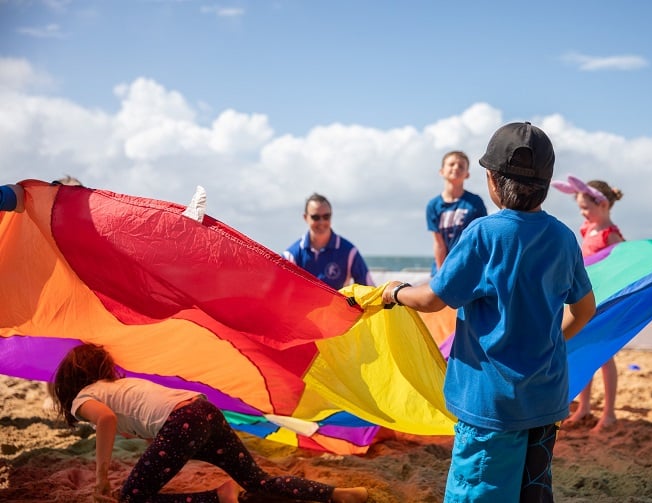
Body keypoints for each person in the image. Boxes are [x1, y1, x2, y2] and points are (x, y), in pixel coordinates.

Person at [381, 122, 596, 502]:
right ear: (546, 184)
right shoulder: (564, 237)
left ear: (492, 182)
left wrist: (395, 292)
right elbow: (584, 310)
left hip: (491, 405)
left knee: (479, 492)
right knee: (532, 491)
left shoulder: (483, 234)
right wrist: (547, 340)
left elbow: (433, 299)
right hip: (545, 401)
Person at [49, 343, 368, 503]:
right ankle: (340, 494)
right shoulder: (117, 386)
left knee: (131, 498)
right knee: (258, 482)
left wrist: (102, 477)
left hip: (183, 423)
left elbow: (105, 419)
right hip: (203, 411)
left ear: (69, 383)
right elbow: (149, 418)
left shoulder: (83, 399)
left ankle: (219, 497)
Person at [552, 175, 625, 431]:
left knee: (605, 356)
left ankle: (610, 412)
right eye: (580, 208)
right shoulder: (587, 229)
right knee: (584, 350)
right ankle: (584, 407)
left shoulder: (611, 234)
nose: (583, 213)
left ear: (603, 205)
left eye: (587, 207)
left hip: (605, 299)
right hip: (588, 298)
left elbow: (622, 265)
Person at [283, 193, 374, 290]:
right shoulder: (291, 256)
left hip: (337, 305)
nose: (321, 222)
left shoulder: (349, 252)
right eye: (316, 217)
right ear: (305, 218)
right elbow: (280, 291)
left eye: (326, 216)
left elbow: (369, 290)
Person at [426, 151, 487, 275]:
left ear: (467, 174)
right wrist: (441, 274)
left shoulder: (475, 202)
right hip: (443, 268)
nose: (456, 168)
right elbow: (439, 244)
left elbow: (481, 238)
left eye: (461, 166)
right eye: (451, 164)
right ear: (442, 171)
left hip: (468, 269)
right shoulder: (433, 205)